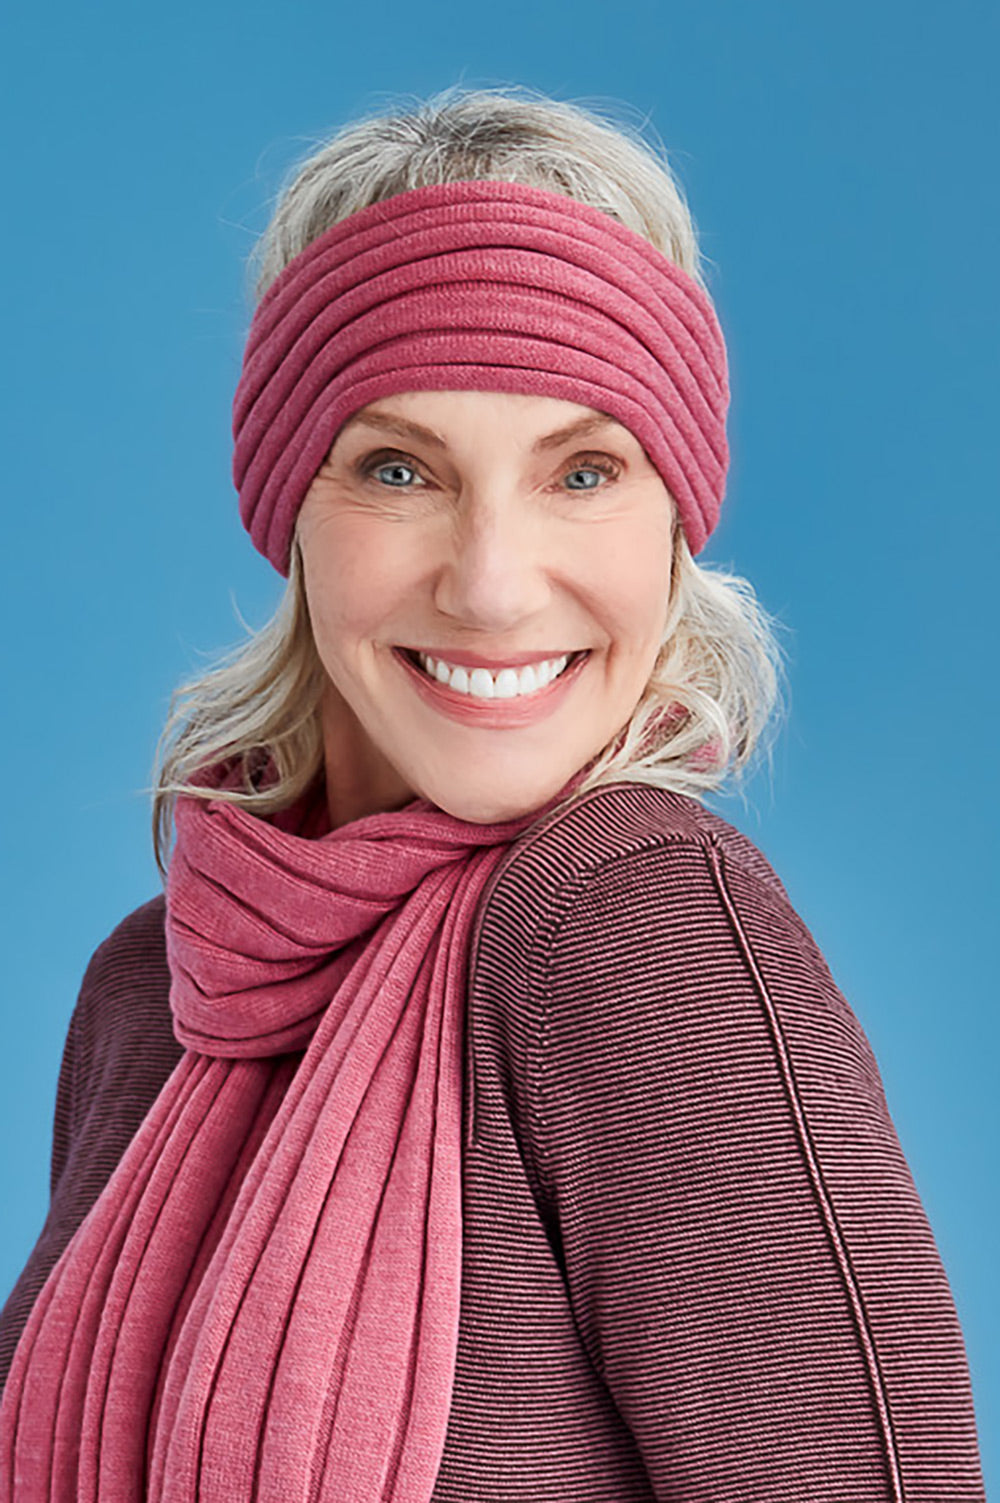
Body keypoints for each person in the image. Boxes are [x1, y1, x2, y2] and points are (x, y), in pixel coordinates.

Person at [0, 84, 985, 1502]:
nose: (492, 583)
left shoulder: (631, 920)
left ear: (671, 527)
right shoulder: (150, 992)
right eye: (400, 469)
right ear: (292, 508)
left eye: (585, 470)